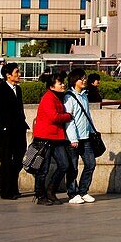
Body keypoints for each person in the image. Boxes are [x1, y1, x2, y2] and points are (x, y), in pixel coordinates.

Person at [0, 62, 28, 200]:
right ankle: (7, 191)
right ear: (8, 75)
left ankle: (2, 180)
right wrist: (1, 126)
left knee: (19, 158)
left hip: (19, 129)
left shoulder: (19, 89)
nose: (19, 75)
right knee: (6, 160)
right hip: (6, 132)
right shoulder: (1, 88)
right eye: (16, 72)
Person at [32, 71, 73, 205]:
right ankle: (40, 195)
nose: (63, 85)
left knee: (64, 165)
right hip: (45, 138)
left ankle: (51, 191)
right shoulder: (48, 98)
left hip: (56, 137)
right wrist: (68, 116)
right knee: (43, 169)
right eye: (60, 83)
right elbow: (54, 117)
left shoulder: (58, 97)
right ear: (52, 86)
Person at [63, 68, 98, 205]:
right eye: (81, 78)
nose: (84, 80)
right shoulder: (69, 97)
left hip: (86, 137)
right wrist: (73, 138)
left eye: (85, 78)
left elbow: (86, 116)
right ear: (74, 81)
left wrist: (92, 131)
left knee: (90, 164)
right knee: (73, 167)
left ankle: (83, 191)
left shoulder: (84, 95)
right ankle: (72, 193)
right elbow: (69, 120)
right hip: (73, 140)